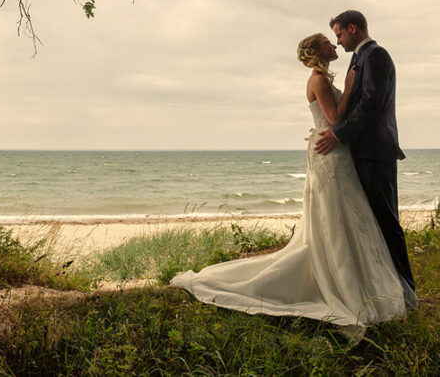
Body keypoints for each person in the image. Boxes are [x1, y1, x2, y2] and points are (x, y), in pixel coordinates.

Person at [170, 33, 416, 328]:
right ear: (316, 51)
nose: (334, 44)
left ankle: (361, 277)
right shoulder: (318, 80)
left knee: (348, 218)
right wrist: (350, 88)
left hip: (338, 154)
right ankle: (342, 283)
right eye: (328, 41)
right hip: (331, 156)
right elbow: (335, 120)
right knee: (337, 219)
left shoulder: (323, 78)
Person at [314, 10, 415, 290]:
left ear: (353, 28)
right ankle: (385, 285)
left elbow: (372, 102)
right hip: (361, 151)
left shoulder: (375, 55)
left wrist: (338, 135)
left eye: (340, 34)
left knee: (386, 222)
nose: (339, 40)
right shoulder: (359, 58)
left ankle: (406, 289)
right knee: (371, 222)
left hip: (375, 151)